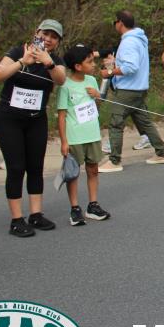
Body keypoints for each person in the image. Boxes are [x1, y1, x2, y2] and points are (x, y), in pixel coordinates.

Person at [0, 19, 67, 237]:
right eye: (45, 34)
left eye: (54, 37)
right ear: (37, 33)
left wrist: (48, 63)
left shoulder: (55, 60)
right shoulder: (18, 51)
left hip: (36, 119)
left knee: (35, 166)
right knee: (16, 167)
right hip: (10, 118)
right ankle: (16, 219)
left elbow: (61, 79)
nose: (48, 39)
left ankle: (36, 214)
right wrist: (22, 62)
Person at [100, 11, 164, 171]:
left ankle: (114, 161)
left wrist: (109, 72)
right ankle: (162, 153)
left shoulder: (129, 41)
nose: (114, 25)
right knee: (144, 122)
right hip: (139, 88)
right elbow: (132, 62)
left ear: (120, 23)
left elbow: (131, 67)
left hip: (127, 90)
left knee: (116, 123)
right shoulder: (139, 39)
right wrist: (116, 62)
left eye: (115, 22)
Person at [57, 44, 110, 227]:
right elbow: (62, 116)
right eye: (89, 62)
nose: (94, 64)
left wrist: (97, 95)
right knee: (73, 173)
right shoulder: (65, 86)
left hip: (92, 134)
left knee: (93, 169)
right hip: (75, 137)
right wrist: (64, 142)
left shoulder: (92, 80)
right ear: (78, 66)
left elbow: (97, 104)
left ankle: (93, 205)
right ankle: (75, 208)